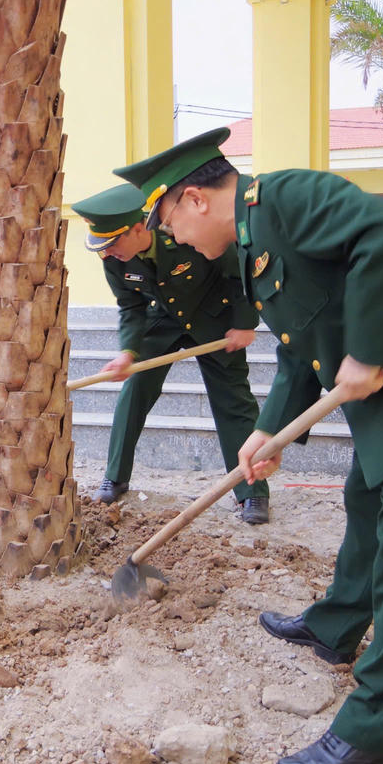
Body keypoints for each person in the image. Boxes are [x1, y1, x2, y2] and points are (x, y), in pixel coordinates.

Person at [116, 128, 383, 764]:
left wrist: (369, 348)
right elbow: (299, 342)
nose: (175, 241)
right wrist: (270, 432)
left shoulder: (289, 198)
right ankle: (335, 626)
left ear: (193, 200)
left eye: (169, 224)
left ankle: (373, 727)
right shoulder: (249, 243)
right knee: (364, 498)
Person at [70, 183, 270, 522]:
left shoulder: (184, 234)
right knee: (134, 389)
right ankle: (115, 477)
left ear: (138, 229)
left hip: (215, 321)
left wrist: (244, 323)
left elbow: (237, 273)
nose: (109, 252)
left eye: (114, 242)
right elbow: (131, 306)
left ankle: (252, 493)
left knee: (234, 402)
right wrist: (129, 352)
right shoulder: (114, 260)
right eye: (103, 246)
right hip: (162, 320)